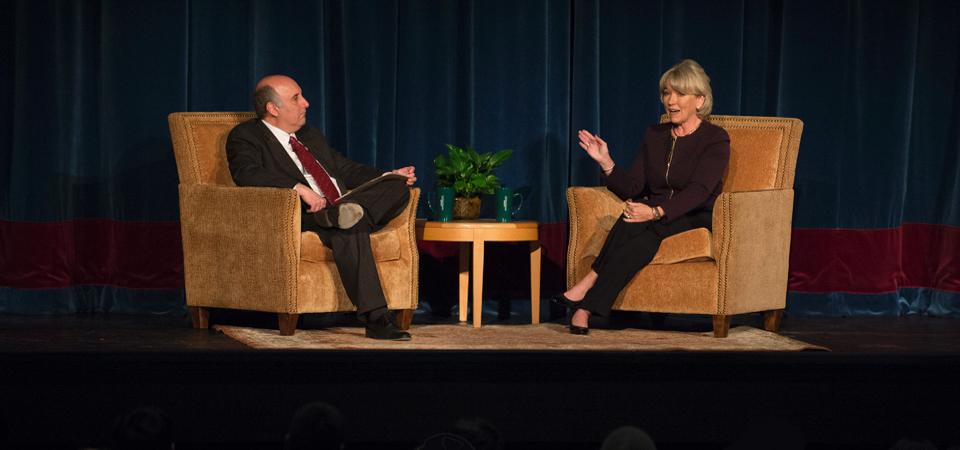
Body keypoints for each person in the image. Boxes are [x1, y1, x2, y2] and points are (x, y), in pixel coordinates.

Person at [227, 74, 417, 340]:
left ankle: (343, 214)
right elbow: (247, 174)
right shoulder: (246, 136)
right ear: (273, 108)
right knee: (350, 226)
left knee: (396, 187)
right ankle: (377, 318)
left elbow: (345, 169)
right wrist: (298, 188)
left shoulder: (310, 135)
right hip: (303, 215)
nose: (306, 103)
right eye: (296, 98)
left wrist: (385, 176)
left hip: (340, 206)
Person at [554, 59, 730, 335]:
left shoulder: (715, 138)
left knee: (643, 222)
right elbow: (634, 186)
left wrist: (656, 212)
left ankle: (588, 288)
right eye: (666, 93)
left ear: (700, 100)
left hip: (696, 214)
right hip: (655, 213)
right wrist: (607, 163)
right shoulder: (655, 134)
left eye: (679, 94)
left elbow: (699, 191)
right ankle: (586, 309)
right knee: (637, 222)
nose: (670, 101)